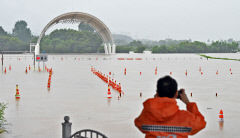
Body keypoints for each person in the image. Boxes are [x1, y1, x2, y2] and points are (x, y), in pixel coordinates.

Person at [134, 76, 206, 138]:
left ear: (157, 93)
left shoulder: (147, 115)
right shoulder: (185, 118)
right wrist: (188, 103)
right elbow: (201, 123)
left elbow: (138, 123)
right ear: (176, 94)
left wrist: (155, 102)